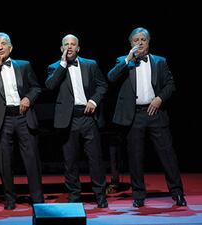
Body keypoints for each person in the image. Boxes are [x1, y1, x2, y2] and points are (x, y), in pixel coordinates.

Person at [108, 27, 186, 207]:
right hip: (134, 116)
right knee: (135, 156)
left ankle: (177, 193)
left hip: (156, 113)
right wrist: (128, 59)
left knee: (167, 155)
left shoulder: (160, 61)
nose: (140, 43)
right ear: (131, 43)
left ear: (149, 42)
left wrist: (159, 98)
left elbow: (170, 84)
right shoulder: (123, 61)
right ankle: (138, 195)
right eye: (136, 40)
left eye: (143, 39)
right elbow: (111, 78)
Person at [0, 32, 44, 210]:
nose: (0, 47)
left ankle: (37, 199)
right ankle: (9, 200)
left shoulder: (24, 65)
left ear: (10, 47)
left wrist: (28, 99)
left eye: (3, 43)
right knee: (4, 161)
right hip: (3, 119)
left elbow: (37, 88)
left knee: (31, 160)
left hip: (24, 116)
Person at [45, 34, 108, 208]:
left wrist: (94, 100)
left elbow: (102, 85)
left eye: (73, 44)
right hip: (68, 119)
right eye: (66, 44)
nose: (70, 47)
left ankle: (100, 195)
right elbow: (50, 86)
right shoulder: (54, 67)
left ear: (78, 48)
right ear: (62, 48)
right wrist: (63, 64)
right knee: (70, 160)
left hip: (88, 117)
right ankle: (74, 195)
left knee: (95, 159)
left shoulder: (90, 64)